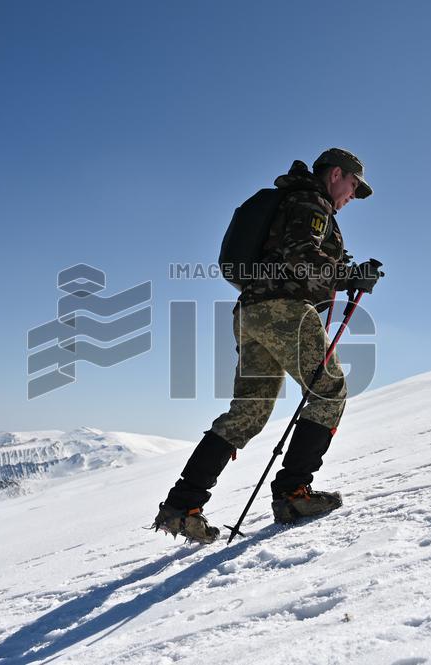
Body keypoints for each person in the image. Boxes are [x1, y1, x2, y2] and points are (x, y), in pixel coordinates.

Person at [153, 148, 383, 543]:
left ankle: (182, 506)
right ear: (337, 175)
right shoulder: (312, 201)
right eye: (353, 186)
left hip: (250, 312)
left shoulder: (292, 200)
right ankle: (293, 493)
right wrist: (349, 277)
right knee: (329, 391)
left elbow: (294, 253)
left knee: (249, 411)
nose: (351, 197)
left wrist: (344, 271)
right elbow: (300, 255)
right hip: (284, 312)